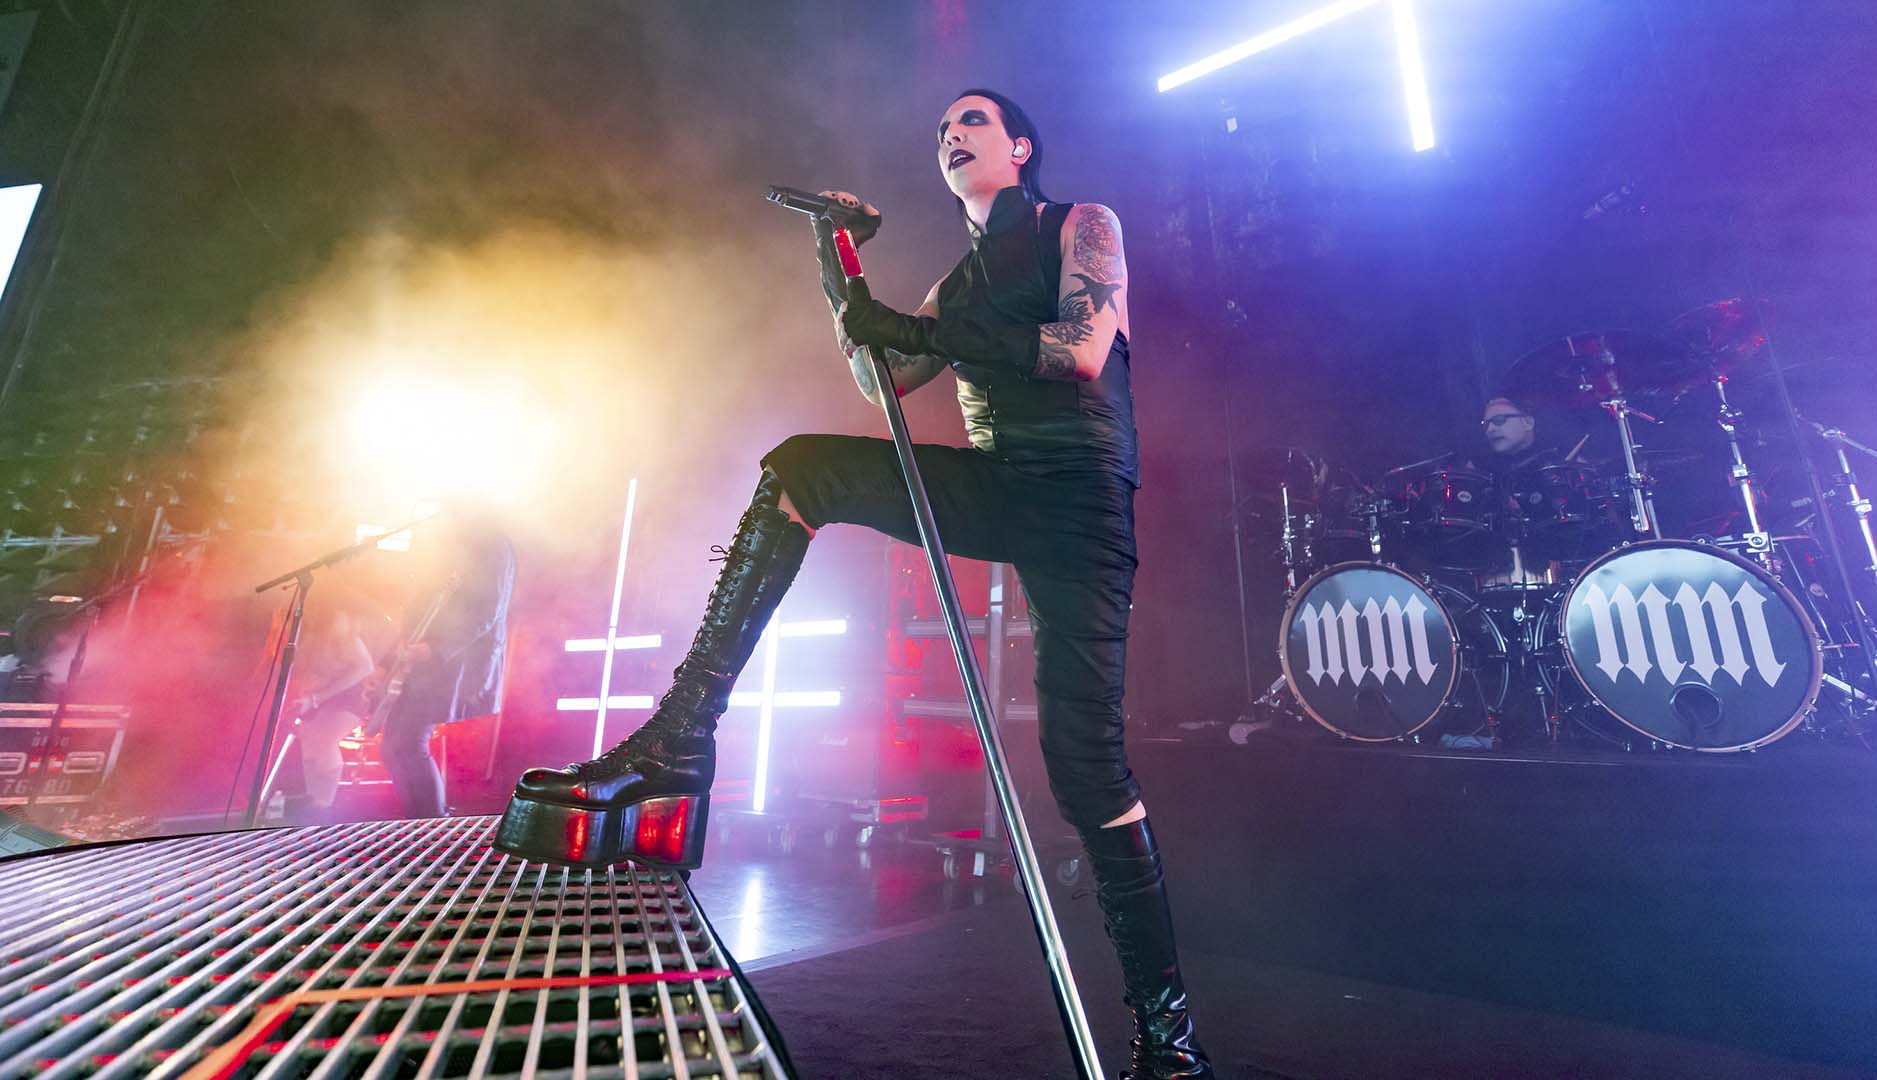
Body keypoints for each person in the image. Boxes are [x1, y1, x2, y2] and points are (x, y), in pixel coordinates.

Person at [497, 89, 1210, 1078]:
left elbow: (1082, 350)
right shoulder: (956, 284)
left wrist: (917, 331)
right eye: (941, 130)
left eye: (972, 122)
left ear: (1020, 146)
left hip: (1082, 501)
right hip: (999, 483)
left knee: (1084, 769)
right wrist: (839, 262)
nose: (951, 136)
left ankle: (1171, 1047)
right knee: (802, 471)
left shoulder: (1080, 226)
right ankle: (681, 736)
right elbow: (881, 380)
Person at [378, 505, 515, 818]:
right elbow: (420, 603)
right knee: (394, 747)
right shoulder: (447, 546)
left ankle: (430, 822)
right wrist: (396, 651)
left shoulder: (493, 546)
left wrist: (435, 649)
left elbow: (484, 613)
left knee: (409, 743)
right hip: (424, 660)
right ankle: (418, 820)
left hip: (451, 663)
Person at [281, 599, 376, 823]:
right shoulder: (309, 635)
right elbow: (306, 672)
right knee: (309, 737)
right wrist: (303, 699)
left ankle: (324, 807)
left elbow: (365, 666)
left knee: (324, 738)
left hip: (349, 700)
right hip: (319, 699)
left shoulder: (345, 633)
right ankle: (314, 801)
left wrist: (316, 698)